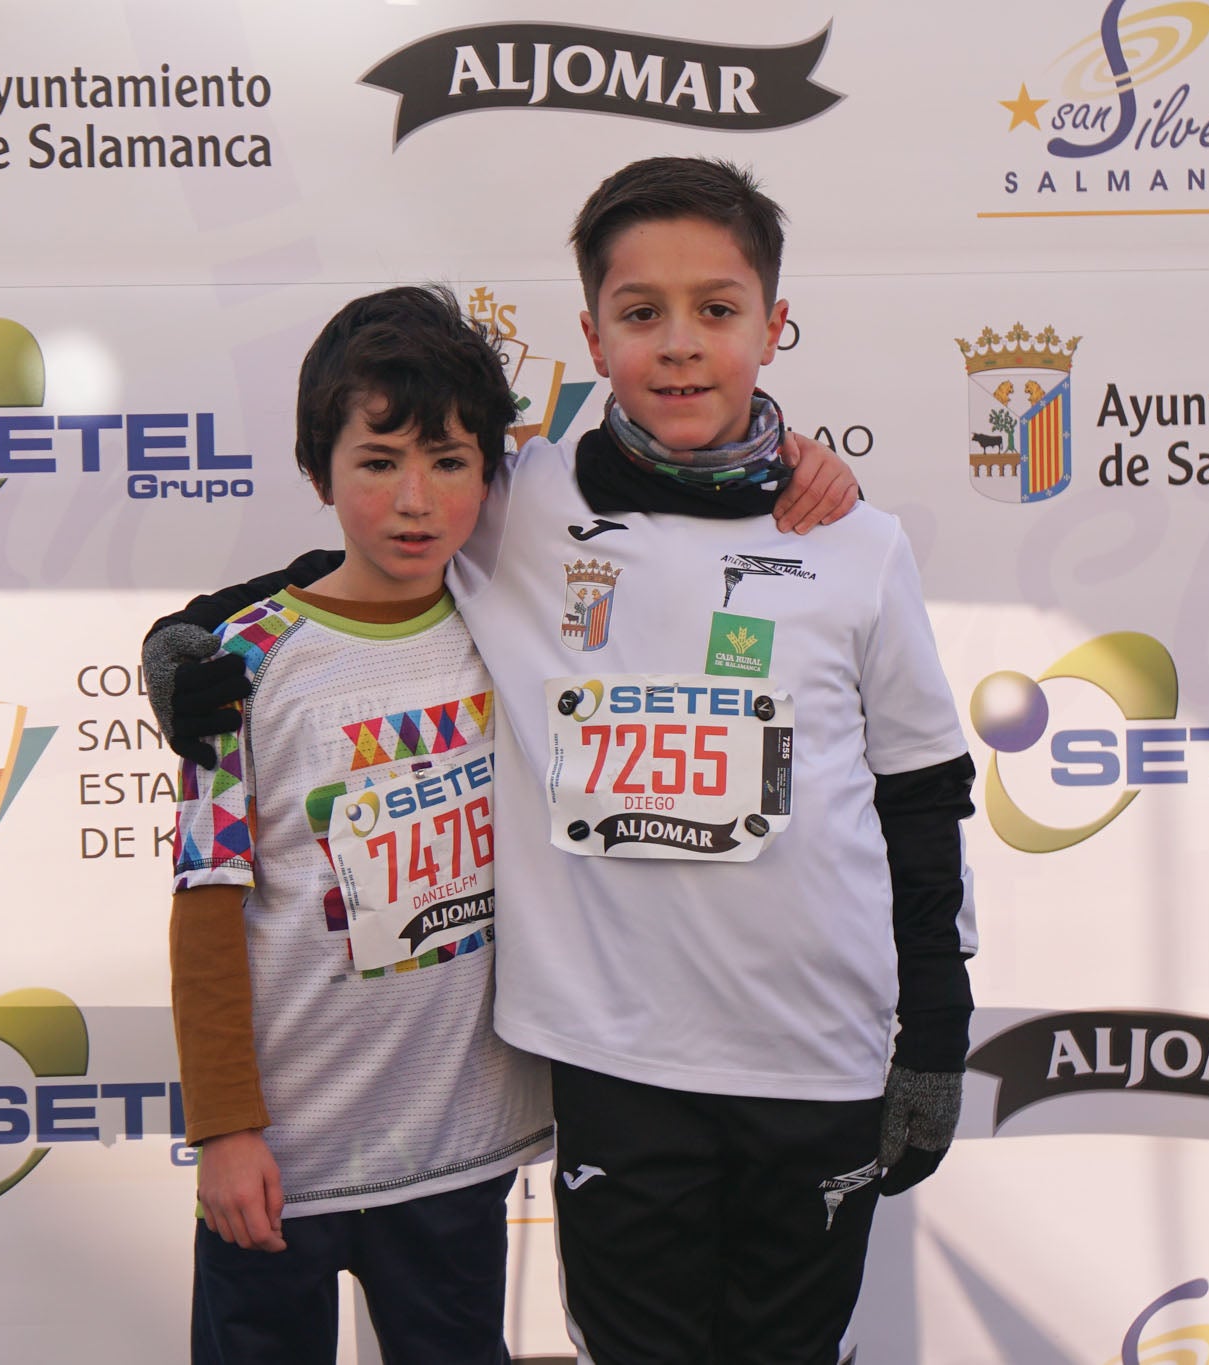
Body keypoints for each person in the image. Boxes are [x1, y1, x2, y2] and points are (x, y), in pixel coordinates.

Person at [149, 158, 976, 1365]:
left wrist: (937, 1031)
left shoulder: (852, 538)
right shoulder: (517, 500)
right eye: (642, 314)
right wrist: (183, 640)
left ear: (774, 324)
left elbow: (918, 794)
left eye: (716, 309)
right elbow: (363, 537)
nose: (681, 346)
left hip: (819, 1058)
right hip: (611, 1064)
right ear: (591, 334)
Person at [169, 285, 552, 1365]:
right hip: (281, 1161)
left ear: (491, 471)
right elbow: (206, 907)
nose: (415, 499)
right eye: (378, 462)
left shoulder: (514, 629)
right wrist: (226, 1130)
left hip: (457, 1155)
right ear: (318, 472)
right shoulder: (238, 664)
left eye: (449, 460)